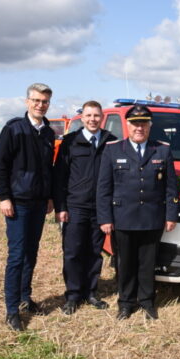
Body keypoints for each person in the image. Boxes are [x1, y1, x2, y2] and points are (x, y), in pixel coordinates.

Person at [97, 104, 179, 320]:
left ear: (149, 126)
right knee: (125, 264)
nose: (139, 128)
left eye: (143, 123)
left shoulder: (161, 150)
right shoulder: (113, 150)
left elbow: (171, 187)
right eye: (135, 123)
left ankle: (147, 302)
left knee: (148, 263)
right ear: (128, 125)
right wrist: (105, 218)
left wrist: (171, 215)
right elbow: (104, 188)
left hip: (152, 218)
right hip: (122, 218)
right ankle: (125, 303)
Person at [0, 83, 55, 331]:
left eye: (45, 101)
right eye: (37, 100)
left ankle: (25, 298)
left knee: (31, 253)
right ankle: (11, 311)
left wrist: (50, 196)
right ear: (27, 101)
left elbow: (48, 169)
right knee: (17, 256)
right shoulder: (14, 129)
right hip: (18, 203)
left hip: (40, 203)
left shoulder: (48, 132)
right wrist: (4, 197)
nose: (41, 105)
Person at [53, 101, 117, 315]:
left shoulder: (110, 142)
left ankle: (90, 292)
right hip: (75, 206)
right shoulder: (71, 142)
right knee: (72, 252)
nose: (92, 119)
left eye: (96, 116)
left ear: (101, 118)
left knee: (94, 252)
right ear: (82, 117)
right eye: (88, 115)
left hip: (100, 208)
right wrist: (61, 206)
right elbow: (60, 176)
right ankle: (72, 295)